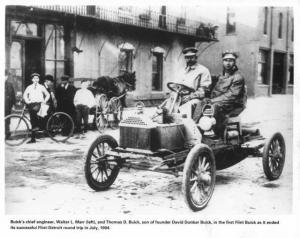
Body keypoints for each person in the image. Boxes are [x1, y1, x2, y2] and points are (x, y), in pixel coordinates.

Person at [161, 47, 211, 122]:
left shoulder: (203, 70)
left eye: (191, 57)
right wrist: (172, 95)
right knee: (164, 109)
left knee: (186, 108)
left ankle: (186, 128)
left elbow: (204, 90)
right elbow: (176, 86)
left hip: (194, 98)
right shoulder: (181, 70)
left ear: (196, 57)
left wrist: (190, 97)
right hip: (179, 98)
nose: (189, 59)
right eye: (187, 57)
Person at [210, 50, 247, 135]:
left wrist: (213, 101)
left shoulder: (238, 77)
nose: (228, 63)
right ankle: (196, 130)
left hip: (234, 105)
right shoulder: (221, 76)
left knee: (215, 107)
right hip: (221, 103)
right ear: (223, 62)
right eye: (226, 60)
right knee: (201, 103)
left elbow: (230, 96)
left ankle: (217, 134)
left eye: (231, 60)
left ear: (234, 62)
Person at [23, 73, 50, 143]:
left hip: (39, 104)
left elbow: (48, 95)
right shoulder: (29, 87)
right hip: (31, 104)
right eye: (34, 78)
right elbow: (25, 95)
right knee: (32, 121)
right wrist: (27, 101)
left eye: (37, 78)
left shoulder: (41, 87)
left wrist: (44, 101)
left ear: (39, 79)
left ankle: (38, 126)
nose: (36, 80)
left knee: (34, 113)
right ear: (32, 79)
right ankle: (33, 139)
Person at [5, 69, 16, 139]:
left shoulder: (9, 84)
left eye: (6, 76)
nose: (5, 77)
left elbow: (13, 95)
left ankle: (7, 133)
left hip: (8, 106)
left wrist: (13, 105)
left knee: (7, 120)